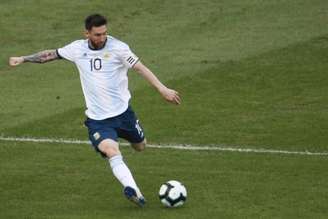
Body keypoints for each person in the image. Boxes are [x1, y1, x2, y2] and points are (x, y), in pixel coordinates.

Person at [9, 14, 181, 207]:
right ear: (87, 33)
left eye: (105, 33)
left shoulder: (119, 48)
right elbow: (50, 55)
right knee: (111, 150)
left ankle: (129, 153)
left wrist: (162, 89)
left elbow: (140, 68)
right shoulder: (77, 48)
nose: (102, 38)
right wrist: (24, 58)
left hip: (124, 114)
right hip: (98, 120)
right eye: (98, 34)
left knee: (140, 146)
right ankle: (134, 190)